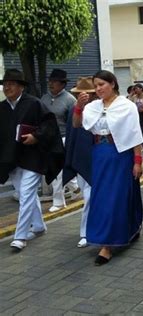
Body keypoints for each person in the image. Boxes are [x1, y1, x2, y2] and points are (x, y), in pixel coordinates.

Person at [73, 70, 143, 265]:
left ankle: (109, 245)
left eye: (102, 84)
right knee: (100, 197)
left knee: (120, 197)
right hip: (99, 154)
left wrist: (138, 161)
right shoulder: (93, 106)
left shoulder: (127, 106)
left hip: (121, 155)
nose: (98, 89)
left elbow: (135, 135)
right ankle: (108, 236)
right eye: (96, 85)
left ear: (112, 84)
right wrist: (79, 106)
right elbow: (77, 124)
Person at [0, 69, 64, 251]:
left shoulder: (34, 104)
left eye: (11, 84)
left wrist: (36, 136)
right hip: (12, 158)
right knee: (24, 194)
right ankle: (38, 226)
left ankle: (20, 236)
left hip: (33, 157)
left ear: (21, 87)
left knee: (26, 193)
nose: (7, 87)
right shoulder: (2, 108)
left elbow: (50, 125)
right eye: (5, 84)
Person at [64, 77, 97, 248]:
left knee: (96, 196)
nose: (86, 96)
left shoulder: (101, 109)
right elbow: (73, 135)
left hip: (100, 157)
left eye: (89, 94)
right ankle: (85, 232)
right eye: (82, 94)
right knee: (88, 196)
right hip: (82, 158)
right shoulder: (73, 110)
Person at [41, 69, 78, 212]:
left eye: (54, 82)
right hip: (47, 139)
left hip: (63, 138)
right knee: (56, 169)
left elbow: (74, 123)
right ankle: (74, 187)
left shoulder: (70, 100)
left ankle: (58, 201)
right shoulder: (44, 98)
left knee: (57, 171)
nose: (51, 84)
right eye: (50, 81)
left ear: (62, 84)